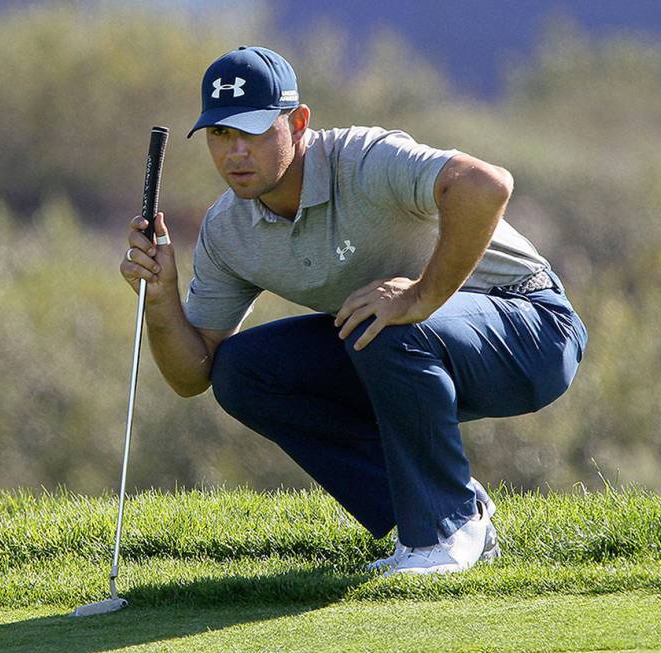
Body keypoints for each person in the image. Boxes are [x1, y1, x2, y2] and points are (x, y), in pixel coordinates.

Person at [119, 46, 587, 575]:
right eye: (221, 134)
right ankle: (440, 506)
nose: (236, 153)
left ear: (298, 123)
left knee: (381, 322)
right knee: (243, 372)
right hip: (408, 347)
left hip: (532, 329)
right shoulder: (228, 231)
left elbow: (486, 185)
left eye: (253, 131)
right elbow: (193, 375)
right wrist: (162, 299)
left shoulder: (362, 159)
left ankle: (446, 529)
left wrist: (420, 295)